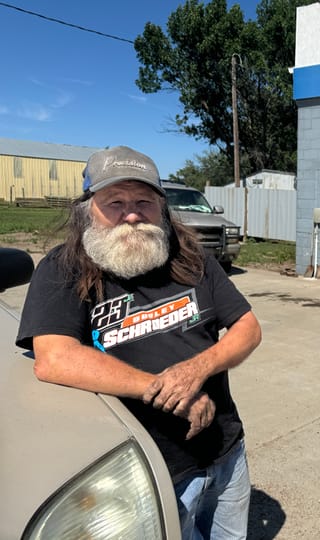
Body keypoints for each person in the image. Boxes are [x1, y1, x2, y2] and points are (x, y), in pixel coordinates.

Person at [16, 145, 262, 540]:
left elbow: (248, 327)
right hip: (149, 469)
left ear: (161, 207)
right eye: (115, 201)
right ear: (87, 209)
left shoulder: (189, 256)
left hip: (225, 449)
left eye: (144, 201)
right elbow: (55, 358)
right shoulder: (63, 268)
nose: (131, 214)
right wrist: (164, 389)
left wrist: (195, 369)